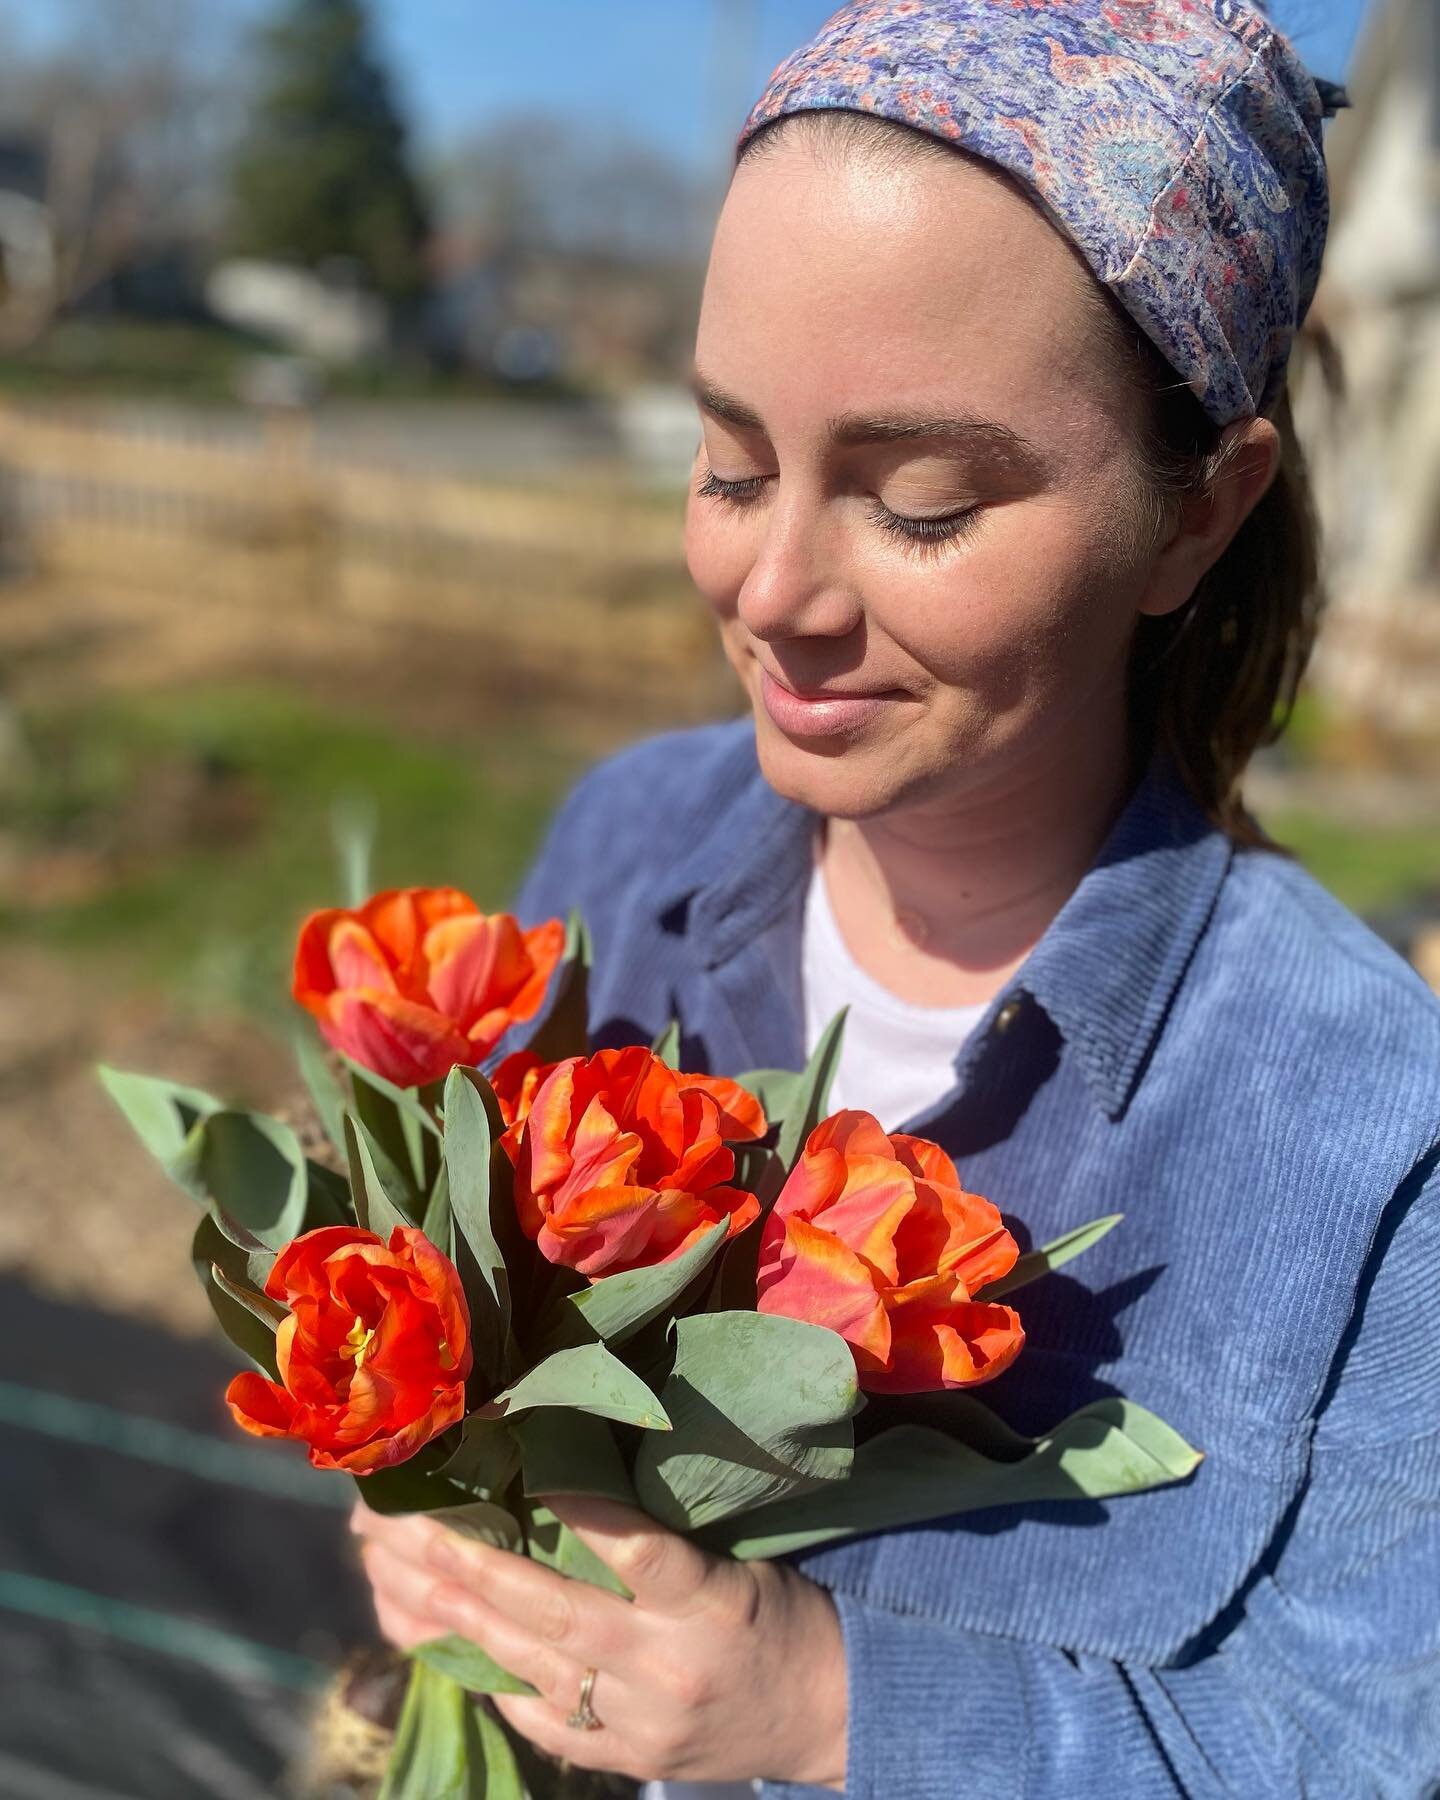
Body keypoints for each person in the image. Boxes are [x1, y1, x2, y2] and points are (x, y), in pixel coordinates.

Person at [351, 2, 1440, 1794]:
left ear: (1199, 518)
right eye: (727, 462)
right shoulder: (624, 859)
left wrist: (836, 1710)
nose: (772, 589)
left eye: (920, 503)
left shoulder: (1368, 1138)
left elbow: (1361, 1753)